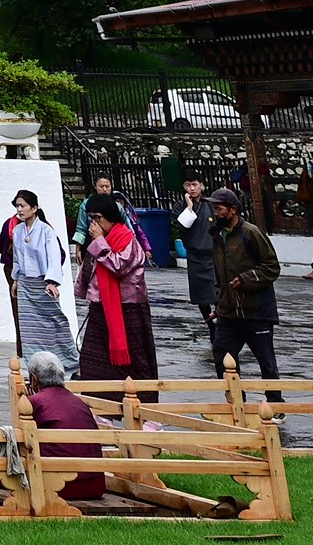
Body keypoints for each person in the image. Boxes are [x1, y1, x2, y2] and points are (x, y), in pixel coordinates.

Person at [21, 348, 231, 515]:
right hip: (94, 483)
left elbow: (23, 443)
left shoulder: (34, 402)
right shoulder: (79, 402)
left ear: (35, 380)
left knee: (2, 462)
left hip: (62, 485)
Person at [0, 189, 76, 362]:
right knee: (28, 325)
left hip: (43, 283)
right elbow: (17, 258)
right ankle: (33, 362)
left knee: (53, 322)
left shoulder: (45, 230)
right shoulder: (17, 230)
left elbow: (55, 256)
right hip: (25, 284)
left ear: (34, 208)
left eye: (23, 206)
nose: (19, 209)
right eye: (17, 206)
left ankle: (64, 359)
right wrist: (16, 279)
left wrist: (52, 282)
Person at [76, 193, 158, 383]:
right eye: (91, 218)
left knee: (135, 362)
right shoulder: (101, 237)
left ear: (110, 216)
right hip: (100, 306)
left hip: (127, 308)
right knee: (92, 362)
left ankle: (140, 404)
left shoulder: (125, 238)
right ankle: (102, 407)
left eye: (98, 218)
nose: (93, 223)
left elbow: (118, 266)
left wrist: (99, 242)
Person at [205, 190, 283, 389]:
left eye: (219, 208)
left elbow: (271, 267)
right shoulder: (216, 236)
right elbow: (219, 275)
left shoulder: (251, 233)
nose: (216, 213)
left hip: (256, 311)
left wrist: (246, 278)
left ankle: (275, 405)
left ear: (233, 210)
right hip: (228, 314)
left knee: (266, 362)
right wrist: (219, 305)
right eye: (214, 208)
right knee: (222, 355)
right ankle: (235, 402)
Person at [174, 176, 221, 367]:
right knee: (201, 296)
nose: (192, 188)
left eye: (195, 184)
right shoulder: (180, 206)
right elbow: (181, 226)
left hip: (213, 256)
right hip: (195, 256)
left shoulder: (211, 205)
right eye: (188, 185)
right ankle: (209, 325)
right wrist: (189, 208)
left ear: (201, 185)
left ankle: (220, 326)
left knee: (216, 292)